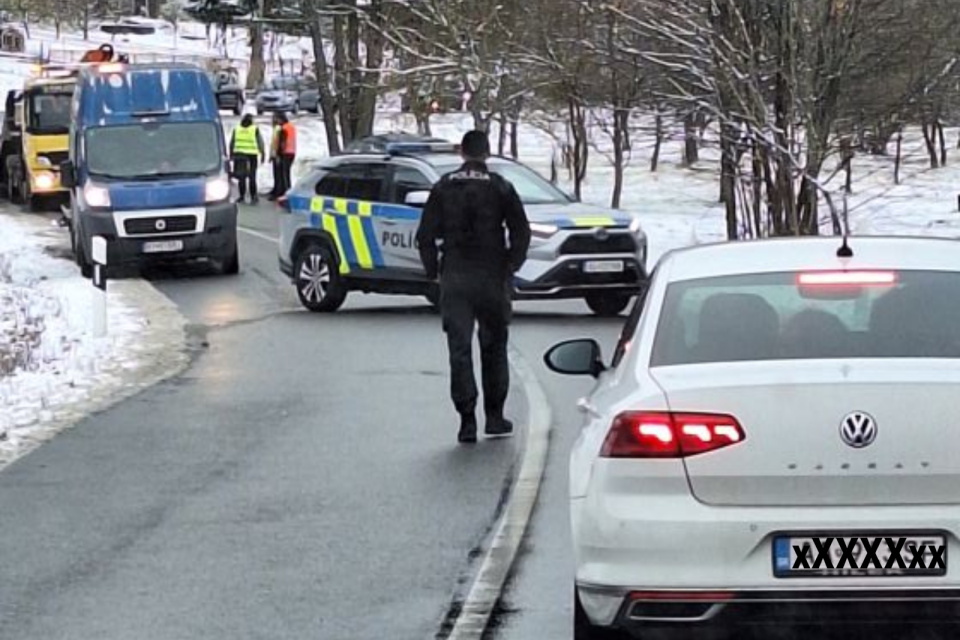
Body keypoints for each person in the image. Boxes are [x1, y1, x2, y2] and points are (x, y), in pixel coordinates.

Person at [415, 130, 531, 444]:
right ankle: (494, 417)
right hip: (491, 276)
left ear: (462, 153)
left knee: (460, 350)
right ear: (487, 153)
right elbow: (522, 231)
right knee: (494, 348)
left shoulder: (443, 187)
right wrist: (510, 265)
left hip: (456, 276)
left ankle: (467, 420)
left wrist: (433, 273)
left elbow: (425, 235)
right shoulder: (501, 187)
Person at [229, 113, 265, 204]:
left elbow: (232, 142)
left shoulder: (237, 129)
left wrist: (231, 154)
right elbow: (260, 142)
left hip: (239, 155)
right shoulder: (254, 129)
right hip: (252, 156)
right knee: (252, 176)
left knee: (242, 177)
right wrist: (263, 153)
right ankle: (253, 197)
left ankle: (242, 196)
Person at [275, 112, 297, 196]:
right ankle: (287, 190)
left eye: (277, 119)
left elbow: (282, 143)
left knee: (284, 174)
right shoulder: (291, 127)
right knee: (287, 173)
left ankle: (286, 192)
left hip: (285, 153)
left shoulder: (283, 128)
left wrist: (278, 154)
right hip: (292, 152)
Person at [268, 113, 283, 201]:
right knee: (276, 174)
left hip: (277, 154)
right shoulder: (275, 129)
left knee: (278, 174)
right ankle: (275, 190)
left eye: (274, 119)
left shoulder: (278, 129)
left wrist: (276, 154)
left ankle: (278, 191)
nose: (272, 121)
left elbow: (277, 143)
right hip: (274, 154)